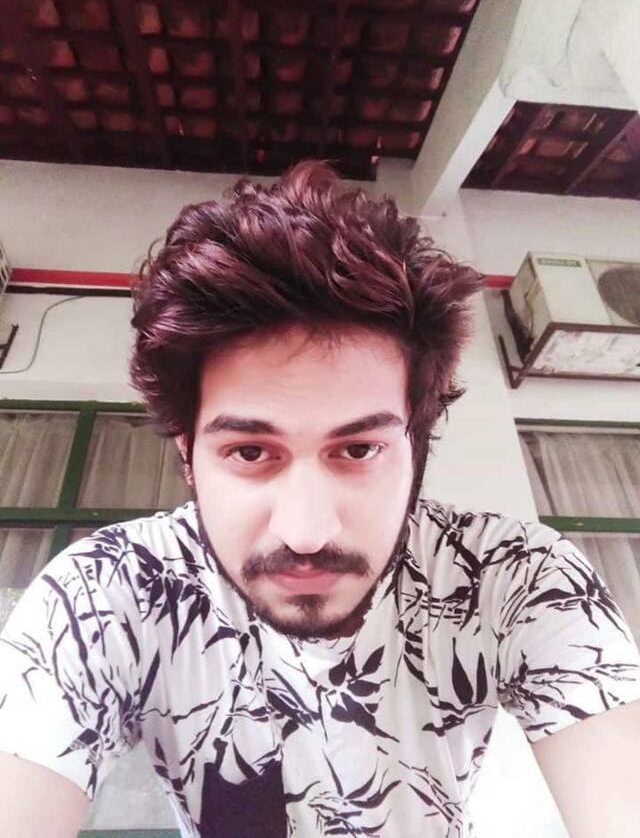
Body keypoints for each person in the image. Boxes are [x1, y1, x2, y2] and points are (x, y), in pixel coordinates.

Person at [1, 161, 640, 838]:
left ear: (417, 445)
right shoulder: (110, 590)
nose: (305, 531)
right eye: (251, 452)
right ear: (188, 454)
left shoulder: (513, 575)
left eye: (357, 450)